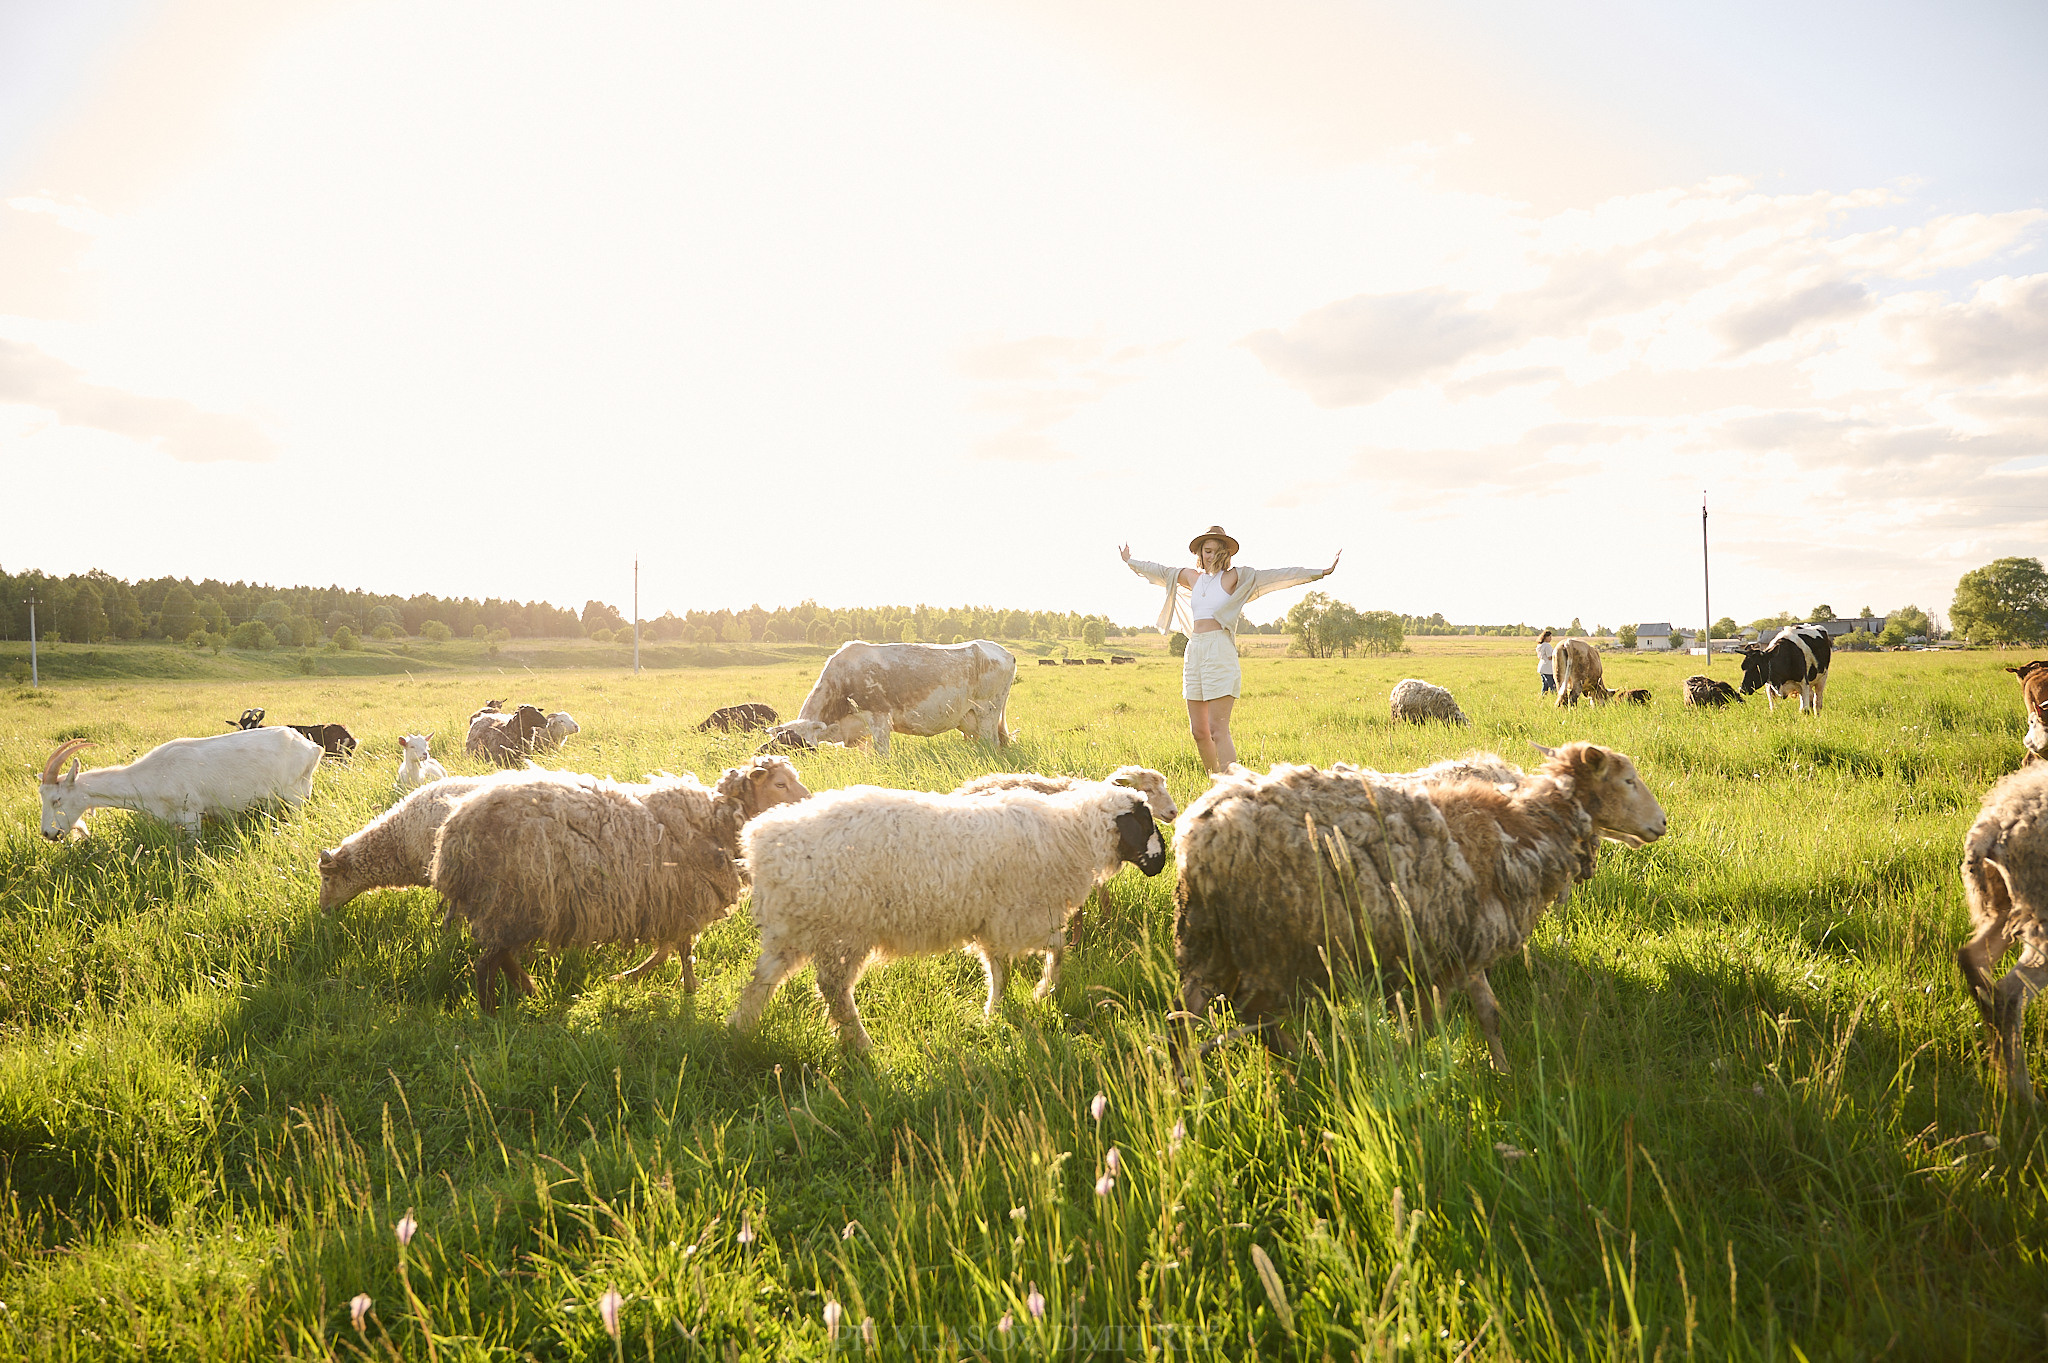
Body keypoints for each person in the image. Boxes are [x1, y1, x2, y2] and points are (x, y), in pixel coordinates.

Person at [1122, 526, 1340, 773]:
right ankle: (1215, 783)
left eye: (1216, 551)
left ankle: (1234, 787)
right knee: (1199, 732)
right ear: (1200, 553)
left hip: (1220, 650)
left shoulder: (1235, 577)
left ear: (1225, 553)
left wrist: (1320, 572)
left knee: (1217, 729)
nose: (1210, 556)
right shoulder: (1191, 577)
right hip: (1194, 651)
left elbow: (1278, 576)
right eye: (1206, 551)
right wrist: (1130, 561)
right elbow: (1158, 571)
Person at [1537, 629, 1556, 695]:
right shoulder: (1547, 646)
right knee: (1553, 685)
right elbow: (1550, 657)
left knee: (1545, 685)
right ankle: (1555, 697)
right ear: (1545, 637)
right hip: (1548, 668)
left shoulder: (1539, 645)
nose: (1551, 639)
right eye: (1550, 637)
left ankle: (1543, 697)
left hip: (1541, 667)